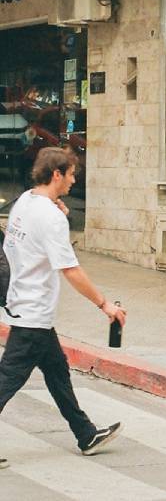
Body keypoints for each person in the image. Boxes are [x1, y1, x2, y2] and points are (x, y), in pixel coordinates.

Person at [0, 148, 127, 467]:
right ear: (56, 174)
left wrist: (59, 214)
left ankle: (85, 434)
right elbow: (70, 270)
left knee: (58, 373)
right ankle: (84, 433)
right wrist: (105, 305)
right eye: (71, 174)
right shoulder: (50, 215)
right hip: (33, 312)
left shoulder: (25, 202)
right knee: (5, 382)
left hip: (24, 302)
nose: (73, 181)